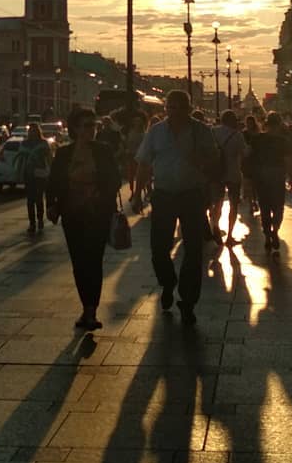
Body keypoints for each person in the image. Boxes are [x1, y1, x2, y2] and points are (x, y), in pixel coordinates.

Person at [135, 90, 218, 325]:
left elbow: (213, 159)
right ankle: (168, 281)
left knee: (193, 250)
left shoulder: (200, 131)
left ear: (189, 108)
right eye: (172, 107)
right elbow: (143, 163)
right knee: (158, 248)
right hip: (163, 195)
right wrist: (136, 194)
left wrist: (199, 160)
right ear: (166, 109)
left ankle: (188, 300)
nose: (176, 111)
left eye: (181, 107)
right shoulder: (156, 131)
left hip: (192, 195)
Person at [46, 107, 120, 331]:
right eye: (87, 125)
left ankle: (91, 311)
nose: (92, 130)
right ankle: (85, 306)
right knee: (79, 262)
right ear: (76, 128)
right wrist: (51, 205)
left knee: (94, 260)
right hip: (72, 212)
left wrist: (100, 193)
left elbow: (115, 179)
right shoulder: (64, 153)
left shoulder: (103, 151)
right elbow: (55, 181)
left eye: (94, 125)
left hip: (97, 213)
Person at [250, 113, 292, 252]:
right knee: (278, 207)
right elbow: (287, 160)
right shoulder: (283, 141)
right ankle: (275, 230)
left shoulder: (257, 139)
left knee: (265, 207)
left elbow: (251, 157)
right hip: (278, 175)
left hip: (261, 176)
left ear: (266, 124)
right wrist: (291, 177)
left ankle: (268, 236)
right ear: (279, 125)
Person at [211, 110, 247, 244]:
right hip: (233, 173)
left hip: (217, 173)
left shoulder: (213, 132)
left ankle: (215, 226)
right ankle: (230, 236)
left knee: (217, 202)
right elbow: (245, 152)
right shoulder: (237, 135)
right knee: (233, 205)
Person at [17, 123, 53, 233]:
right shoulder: (24, 143)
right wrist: (19, 173)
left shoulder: (43, 143)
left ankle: (40, 219)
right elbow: (20, 159)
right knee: (30, 200)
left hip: (40, 174)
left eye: (34, 131)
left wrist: (51, 172)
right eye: (30, 131)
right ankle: (32, 223)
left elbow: (49, 158)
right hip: (28, 174)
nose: (32, 133)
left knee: (38, 198)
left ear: (38, 132)